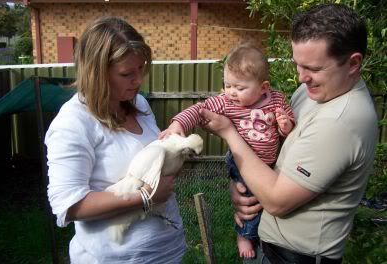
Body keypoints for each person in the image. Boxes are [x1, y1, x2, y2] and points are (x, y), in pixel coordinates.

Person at [199, 3, 378, 264]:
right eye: (298, 65)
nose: (302, 78)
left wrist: (229, 133)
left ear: (353, 63)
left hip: (295, 257)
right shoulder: (312, 92)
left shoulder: (341, 121)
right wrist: (242, 187)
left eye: (314, 69)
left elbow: (276, 201)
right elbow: (273, 154)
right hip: (269, 243)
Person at [45, 17, 186, 263]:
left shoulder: (138, 104)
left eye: (141, 68)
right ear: (96, 73)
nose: (138, 80)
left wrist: (173, 152)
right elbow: (70, 205)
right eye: (126, 73)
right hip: (114, 257)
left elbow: (146, 163)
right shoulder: (72, 123)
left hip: (166, 251)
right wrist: (145, 197)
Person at [159, 43, 295, 259]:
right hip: (242, 160)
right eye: (227, 85)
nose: (231, 92)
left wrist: (286, 125)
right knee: (250, 198)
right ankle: (245, 235)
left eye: (240, 88)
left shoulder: (276, 99)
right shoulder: (227, 103)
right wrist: (178, 125)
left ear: (263, 87)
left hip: (268, 162)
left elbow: (288, 123)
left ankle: (259, 233)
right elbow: (198, 110)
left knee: (263, 201)